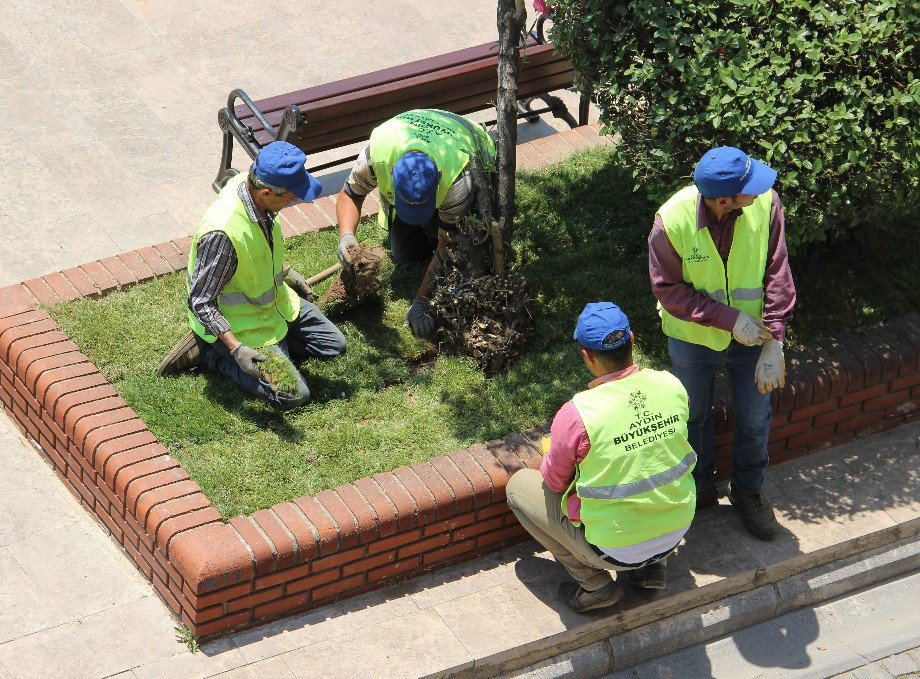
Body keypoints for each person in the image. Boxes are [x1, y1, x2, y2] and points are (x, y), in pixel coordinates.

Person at [506, 302, 696, 613]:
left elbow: (554, 482)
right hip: (676, 531)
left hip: (613, 549)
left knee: (518, 488)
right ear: (632, 341)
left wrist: (550, 450)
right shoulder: (671, 386)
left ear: (586, 355)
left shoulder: (578, 414)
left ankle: (595, 585)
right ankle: (651, 570)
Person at [648, 146, 796, 540]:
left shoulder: (766, 204)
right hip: (692, 341)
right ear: (724, 200)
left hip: (756, 340)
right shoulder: (671, 222)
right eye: (751, 187)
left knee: (754, 417)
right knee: (693, 416)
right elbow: (669, 291)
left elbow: (778, 271)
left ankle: (749, 492)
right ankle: (700, 485)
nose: (762, 190)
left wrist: (775, 339)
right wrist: (729, 319)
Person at [158, 141, 346, 411]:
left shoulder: (255, 187)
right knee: (294, 395)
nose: (294, 201)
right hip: (244, 328)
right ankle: (214, 354)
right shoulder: (222, 235)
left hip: (279, 306)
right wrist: (236, 349)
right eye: (291, 197)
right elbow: (200, 301)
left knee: (334, 346)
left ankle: (278, 348)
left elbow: (258, 249)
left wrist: (286, 271)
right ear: (267, 193)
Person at [334, 108, 496, 339]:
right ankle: (426, 225)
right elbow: (351, 194)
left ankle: (449, 228)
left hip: (469, 149)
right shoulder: (378, 154)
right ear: (391, 172)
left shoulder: (458, 177)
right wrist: (346, 235)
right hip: (416, 130)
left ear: (439, 177)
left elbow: (445, 245)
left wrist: (421, 302)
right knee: (404, 254)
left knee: (461, 253)